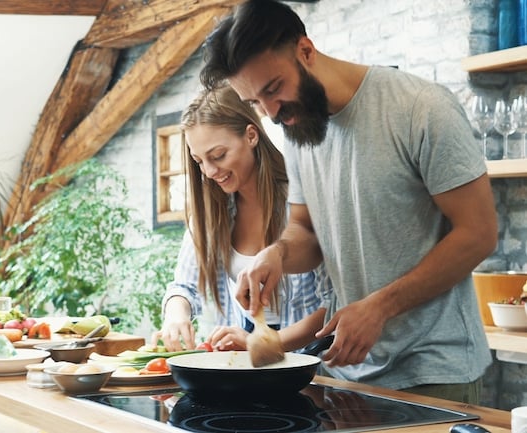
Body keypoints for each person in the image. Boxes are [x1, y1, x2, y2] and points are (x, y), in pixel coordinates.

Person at [199, 0, 497, 404]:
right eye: (254, 102)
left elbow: (478, 234)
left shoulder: (420, 108)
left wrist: (379, 307)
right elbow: (306, 231)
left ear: (306, 50)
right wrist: (277, 254)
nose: (270, 113)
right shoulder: (298, 127)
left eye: (273, 89)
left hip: (433, 372)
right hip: (345, 373)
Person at [154, 84, 331, 353]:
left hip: (308, 360)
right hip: (244, 355)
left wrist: (263, 344)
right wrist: (176, 316)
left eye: (218, 155)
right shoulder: (214, 211)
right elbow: (184, 286)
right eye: (199, 161)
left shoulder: (302, 202)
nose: (210, 171)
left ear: (251, 136)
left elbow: (333, 305)